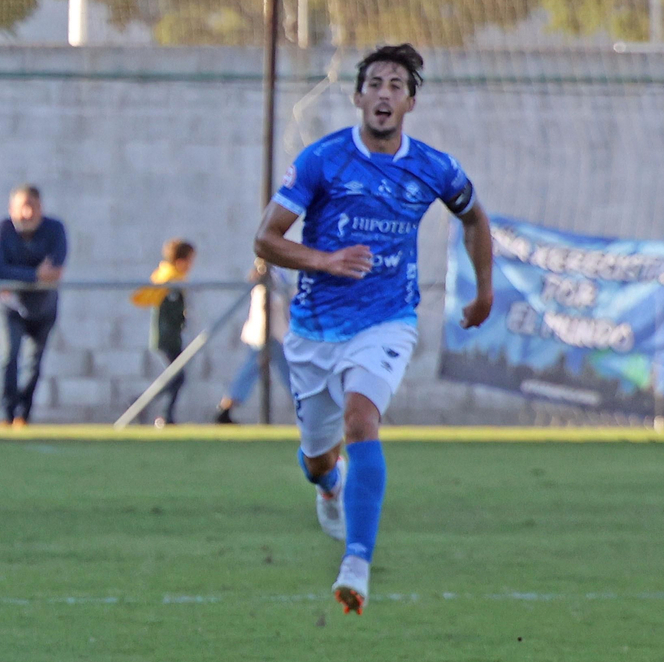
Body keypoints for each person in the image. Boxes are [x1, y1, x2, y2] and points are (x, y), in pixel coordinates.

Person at [254, 43, 493, 616]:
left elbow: (474, 219)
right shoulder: (322, 159)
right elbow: (266, 239)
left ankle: (356, 563)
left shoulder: (433, 167)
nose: (384, 94)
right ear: (358, 96)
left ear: (410, 102)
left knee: (363, 417)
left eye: (396, 86)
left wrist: (484, 291)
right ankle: (328, 483)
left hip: (387, 321)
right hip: (313, 331)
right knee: (317, 458)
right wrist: (325, 260)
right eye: (375, 84)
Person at [0, 184, 67, 426]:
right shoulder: (0, 229)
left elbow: (55, 269)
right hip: (10, 306)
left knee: (35, 363)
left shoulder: (55, 229)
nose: (29, 214)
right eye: (24, 208)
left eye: (34, 207)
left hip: (44, 307)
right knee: (8, 358)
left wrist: (16, 275)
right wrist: (34, 275)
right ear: (12, 210)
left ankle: (24, 414)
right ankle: (6, 414)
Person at [131, 239, 196, 427]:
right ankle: (154, 409)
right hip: (167, 337)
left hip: (171, 336)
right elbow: (171, 311)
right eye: (190, 260)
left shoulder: (172, 278)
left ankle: (162, 412)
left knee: (176, 376)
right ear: (181, 261)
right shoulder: (171, 280)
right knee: (177, 376)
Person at [214, 261, 289, 423]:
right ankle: (226, 408)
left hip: (274, 333)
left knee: (280, 371)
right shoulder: (266, 278)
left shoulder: (276, 274)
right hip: (267, 334)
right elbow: (271, 303)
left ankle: (227, 407)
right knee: (284, 372)